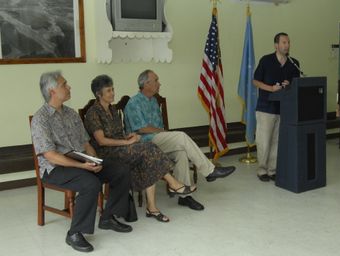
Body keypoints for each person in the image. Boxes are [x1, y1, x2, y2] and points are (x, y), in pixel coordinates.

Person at [31, 71, 132, 253]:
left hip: (80, 162)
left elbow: (86, 143)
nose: (69, 87)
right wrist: (82, 166)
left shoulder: (71, 114)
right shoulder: (41, 119)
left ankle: (108, 217)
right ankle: (74, 233)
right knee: (90, 183)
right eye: (64, 84)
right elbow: (51, 156)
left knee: (121, 170)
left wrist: (94, 160)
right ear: (52, 91)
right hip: (55, 168)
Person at [84, 74, 196, 222]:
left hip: (120, 149)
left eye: (113, 89)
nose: (113, 93)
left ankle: (152, 208)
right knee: (148, 149)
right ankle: (174, 184)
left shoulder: (112, 110)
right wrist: (126, 143)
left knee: (148, 156)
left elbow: (117, 135)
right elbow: (102, 141)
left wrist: (128, 137)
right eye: (109, 91)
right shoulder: (93, 113)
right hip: (106, 154)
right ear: (99, 94)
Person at [124, 70, 236, 211]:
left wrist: (164, 133)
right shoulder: (134, 102)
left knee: (181, 152)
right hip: (143, 144)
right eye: (156, 80)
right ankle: (209, 171)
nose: (160, 83)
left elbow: (158, 128)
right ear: (146, 84)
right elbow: (141, 128)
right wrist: (164, 132)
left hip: (157, 141)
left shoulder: (153, 101)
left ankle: (184, 197)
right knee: (181, 136)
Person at [253, 32, 300, 182]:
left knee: (276, 142)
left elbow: (297, 84)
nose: (287, 45)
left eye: (288, 42)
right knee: (264, 141)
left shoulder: (294, 63)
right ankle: (262, 171)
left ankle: (272, 170)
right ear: (276, 45)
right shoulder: (266, 60)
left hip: (284, 109)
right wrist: (271, 88)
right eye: (284, 42)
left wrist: (289, 84)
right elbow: (255, 81)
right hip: (266, 108)